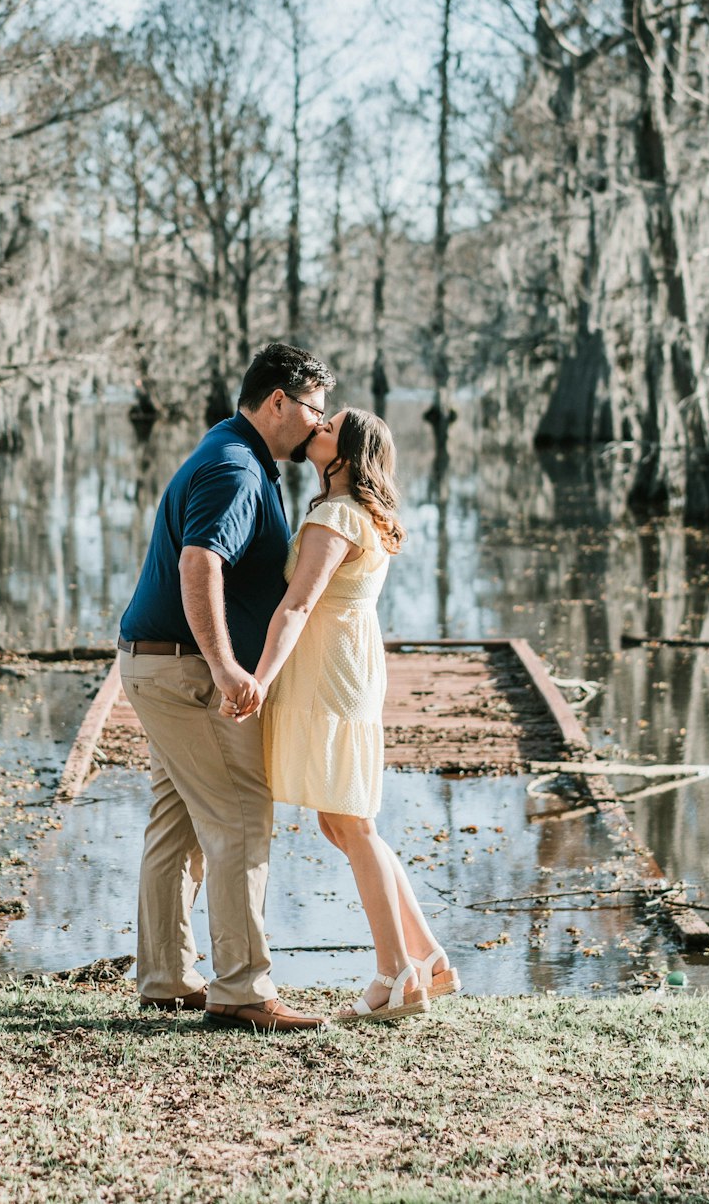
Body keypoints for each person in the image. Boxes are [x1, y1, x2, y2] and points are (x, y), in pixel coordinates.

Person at [118, 342, 335, 1033]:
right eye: (314, 410)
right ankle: (241, 989)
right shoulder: (238, 468)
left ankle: (164, 978)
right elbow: (199, 562)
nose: (319, 426)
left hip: (155, 663)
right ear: (279, 401)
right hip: (186, 671)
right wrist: (223, 666)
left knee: (176, 822)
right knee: (241, 815)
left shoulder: (226, 448)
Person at [225, 408, 460, 1023]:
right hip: (349, 668)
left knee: (351, 825)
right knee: (346, 825)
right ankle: (427, 956)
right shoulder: (359, 513)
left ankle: (394, 971)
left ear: (348, 456)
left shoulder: (335, 516)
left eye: (328, 428)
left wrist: (258, 682)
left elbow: (298, 606)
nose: (315, 428)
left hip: (329, 676)